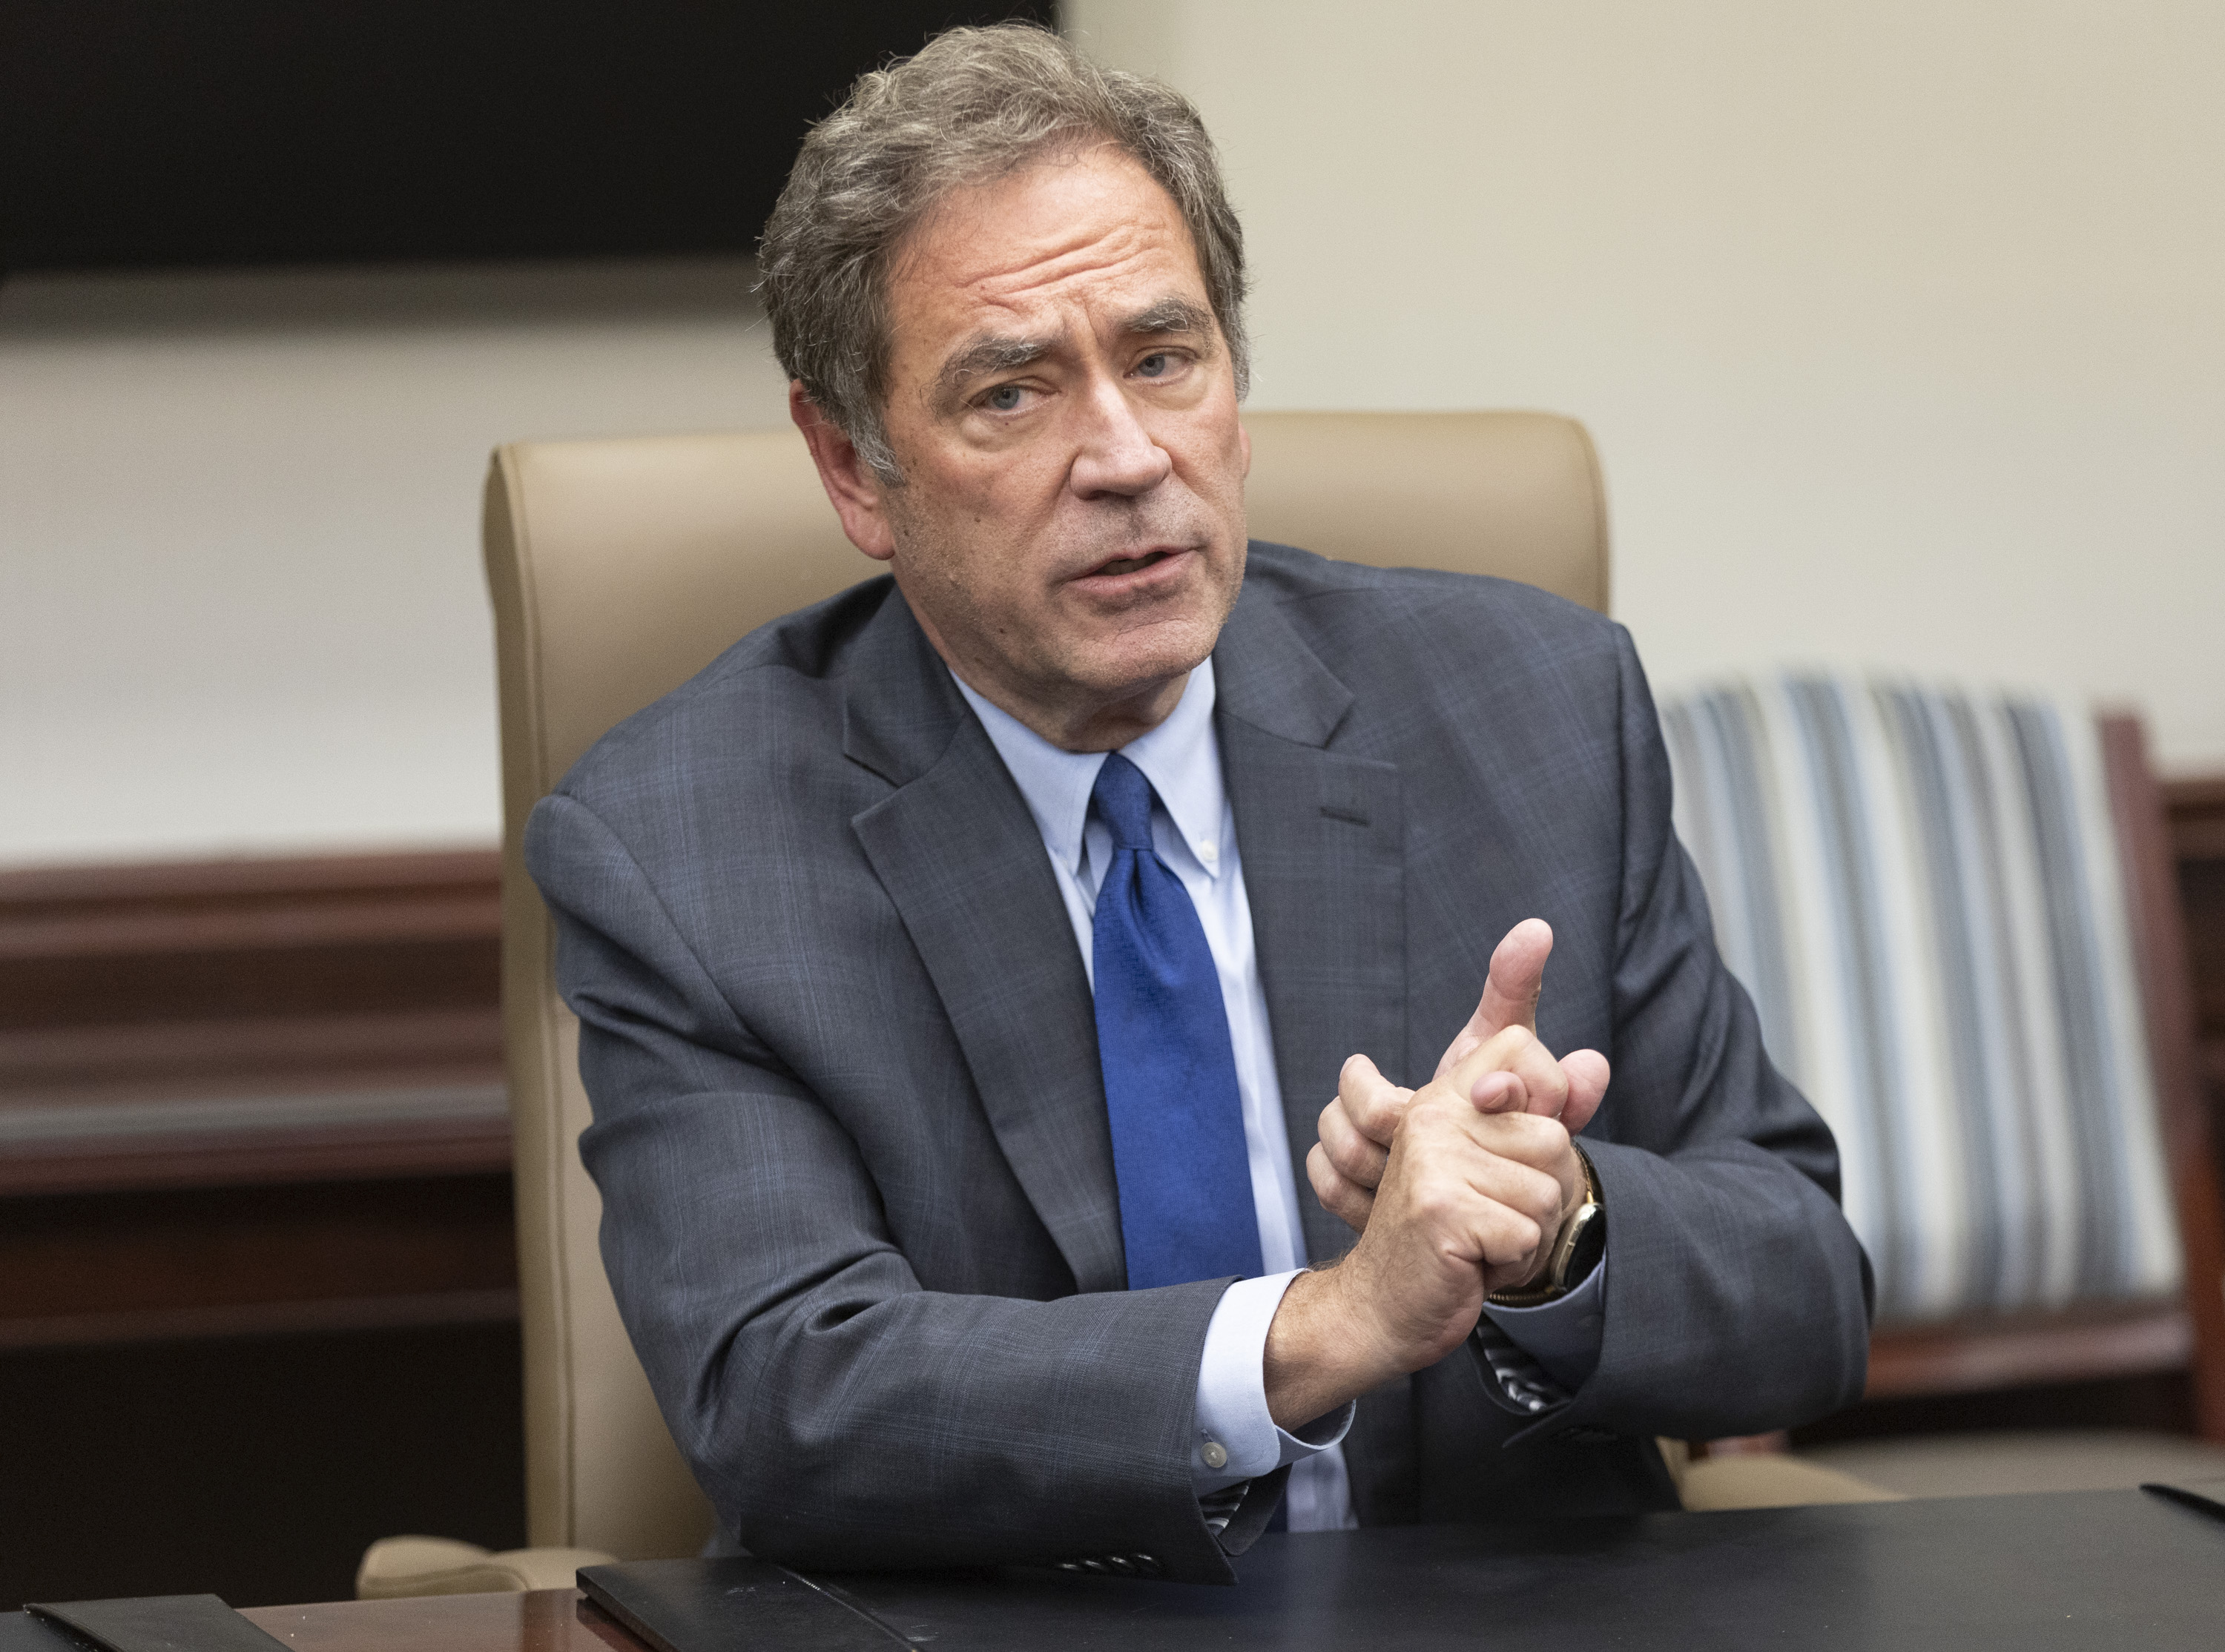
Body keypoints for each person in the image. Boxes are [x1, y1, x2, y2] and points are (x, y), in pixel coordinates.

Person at [525, 23, 1870, 1585]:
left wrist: (1554, 1225)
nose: (1127, 455)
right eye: (1012, 392)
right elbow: (793, 1395)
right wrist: (1330, 1323)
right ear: (853, 468)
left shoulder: (1533, 711)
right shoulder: (687, 846)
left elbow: (1805, 1291)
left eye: (1165, 357)